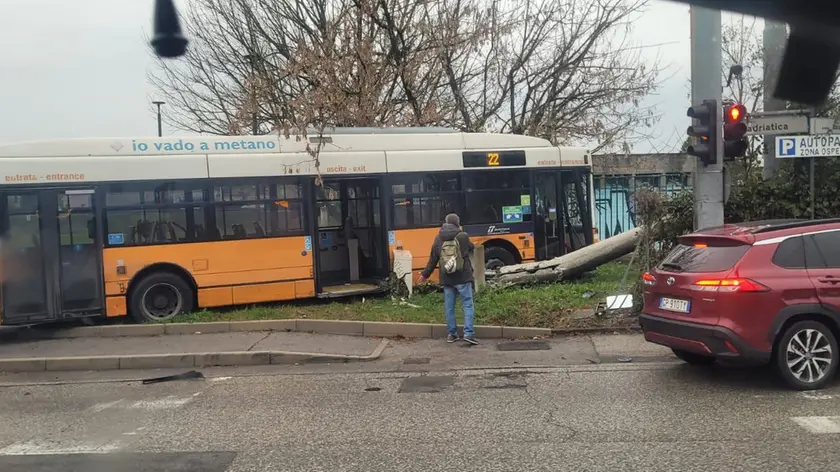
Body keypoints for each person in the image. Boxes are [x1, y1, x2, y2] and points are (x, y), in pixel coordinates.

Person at [417, 213, 478, 345]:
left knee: (449, 307)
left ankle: (452, 334)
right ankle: (468, 333)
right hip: (463, 277)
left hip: (447, 278)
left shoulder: (438, 237)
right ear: (457, 223)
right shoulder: (462, 236)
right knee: (467, 304)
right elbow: (471, 248)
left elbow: (433, 258)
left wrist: (425, 274)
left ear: (445, 222)